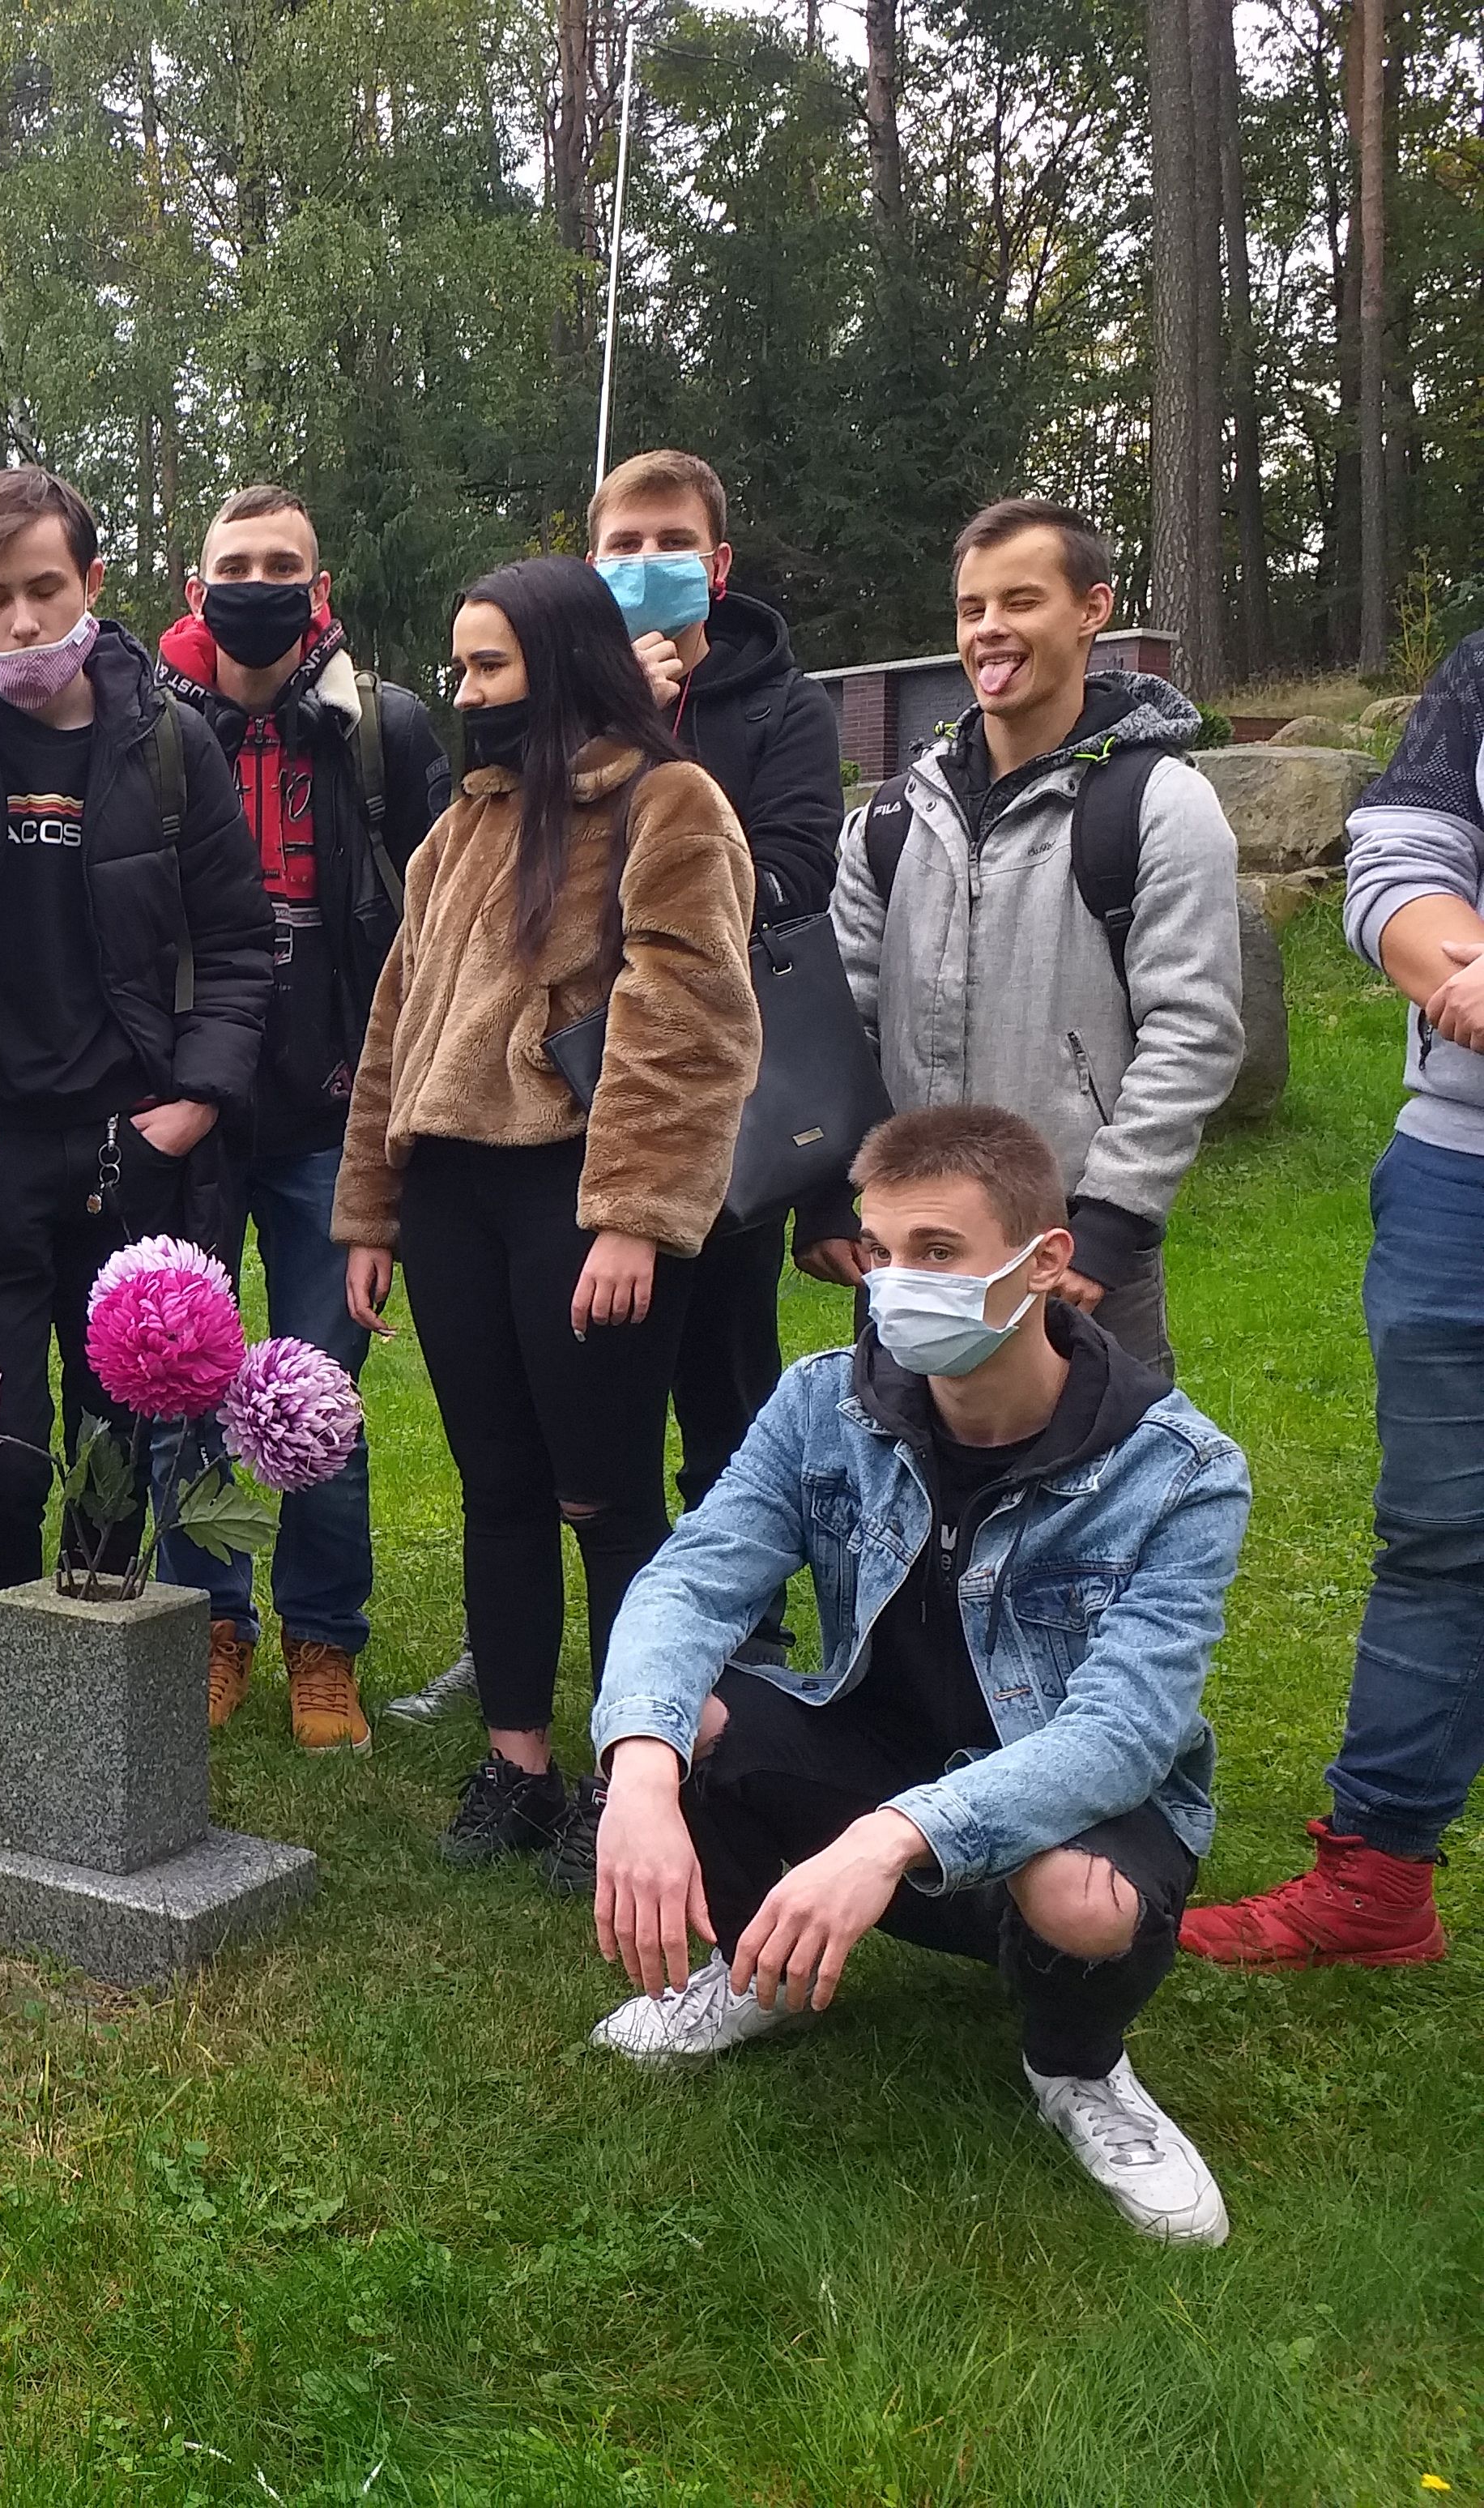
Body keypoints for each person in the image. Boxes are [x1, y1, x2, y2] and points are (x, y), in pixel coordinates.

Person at [586, 1105, 1242, 2244]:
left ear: (1045, 1262)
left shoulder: (1180, 1470)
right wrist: (636, 1768)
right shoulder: (822, 1402)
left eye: (938, 1252)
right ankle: (756, 1971)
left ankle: (1076, 2065)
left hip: (1054, 1803)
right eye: (881, 1251)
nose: (896, 1288)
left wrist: (890, 1838)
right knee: (685, 1717)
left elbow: (1121, 1736)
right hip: (875, 1744)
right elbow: (692, 1582)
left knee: (1081, 1903)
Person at [333, 557, 757, 1887]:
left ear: (565, 662)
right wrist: (372, 1211)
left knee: (606, 1495)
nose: (465, 694)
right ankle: (516, 1765)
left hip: (578, 1191)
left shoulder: (665, 804)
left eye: (489, 667)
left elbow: (688, 1022)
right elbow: (395, 1024)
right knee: (499, 1487)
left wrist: (632, 1216)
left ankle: (631, 1774)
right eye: (459, 668)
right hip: (451, 1198)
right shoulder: (461, 827)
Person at [0, 465, 272, 1758]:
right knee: (1, 1448)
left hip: (132, 1148)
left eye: (44, 590)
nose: (21, 623)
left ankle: (88, 1710)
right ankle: (1, 1700)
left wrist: (190, 1106)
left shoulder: (168, 743)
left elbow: (236, 944)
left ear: (92, 583)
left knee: (118, 1439)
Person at [1183, 628, 1484, 1968]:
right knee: (1441, 1540)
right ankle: (1376, 1882)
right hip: (1459, 1171)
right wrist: (1461, 970)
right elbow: (1402, 858)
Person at [805, 498, 1243, 1380]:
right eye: (972, 609)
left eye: (1021, 601)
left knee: (1097, 1463)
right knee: (895, 1458)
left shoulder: (1160, 806)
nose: (990, 630)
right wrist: (826, 1193)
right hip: (908, 1248)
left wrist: (1111, 1219)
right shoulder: (889, 818)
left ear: (1092, 610)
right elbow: (841, 1026)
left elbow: (1193, 1030)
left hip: (1074, 1247)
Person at [151, 483, 448, 1747]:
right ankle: (210, 1621)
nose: (259, 585)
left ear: (319, 590)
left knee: (316, 1393)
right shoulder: (151, 729)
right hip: (194, 1112)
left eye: (283, 565)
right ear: (196, 587)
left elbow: (439, 923)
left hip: (335, 1116)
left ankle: (324, 1640)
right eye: (237, 565)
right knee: (179, 1383)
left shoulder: (385, 731)